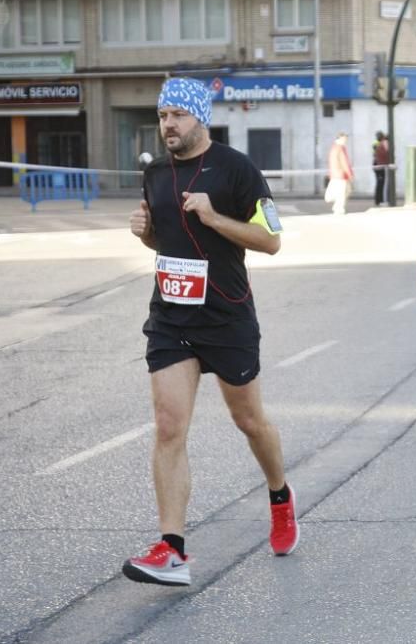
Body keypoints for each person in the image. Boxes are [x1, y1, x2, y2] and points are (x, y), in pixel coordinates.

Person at [124, 77, 298, 586]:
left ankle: (280, 495)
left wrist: (214, 215)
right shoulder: (155, 173)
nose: (168, 125)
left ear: (200, 116)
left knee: (250, 422)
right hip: (171, 318)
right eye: (162, 116)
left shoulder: (238, 169)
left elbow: (271, 241)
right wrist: (147, 233)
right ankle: (171, 548)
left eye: (178, 114)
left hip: (226, 316)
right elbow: (166, 239)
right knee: (168, 425)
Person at [326, 132, 353, 215]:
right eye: (345, 138)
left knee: (340, 191)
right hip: (341, 174)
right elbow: (344, 161)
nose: (346, 140)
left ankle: (336, 206)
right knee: (342, 192)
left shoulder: (333, 148)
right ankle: (339, 209)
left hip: (335, 174)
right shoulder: (340, 148)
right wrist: (349, 174)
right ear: (341, 138)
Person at [372, 131, 390, 207]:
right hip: (379, 164)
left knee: (380, 183)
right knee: (381, 183)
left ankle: (379, 200)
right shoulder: (380, 143)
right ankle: (380, 200)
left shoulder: (377, 143)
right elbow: (383, 153)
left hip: (377, 164)